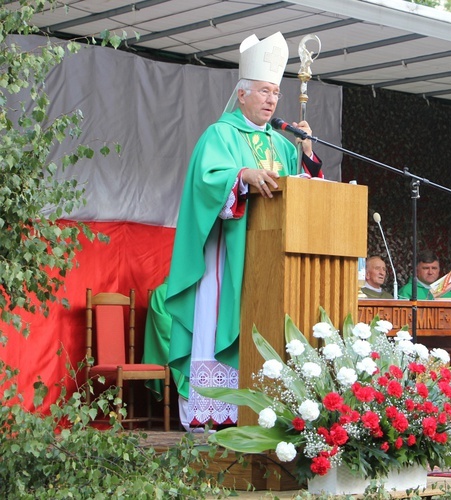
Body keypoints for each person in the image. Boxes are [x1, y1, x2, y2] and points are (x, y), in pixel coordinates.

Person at [165, 32, 323, 430]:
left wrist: (306, 155)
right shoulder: (219, 134)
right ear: (241, 94)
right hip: (227, 257)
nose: (271, 100)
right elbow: (205, 183)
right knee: (219, 323)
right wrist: (241, 176)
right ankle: (212, 417)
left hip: (270, 262)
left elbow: (302, 194)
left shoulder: (283, 144)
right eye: (264, 92)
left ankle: (258, 416)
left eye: (276, 94)